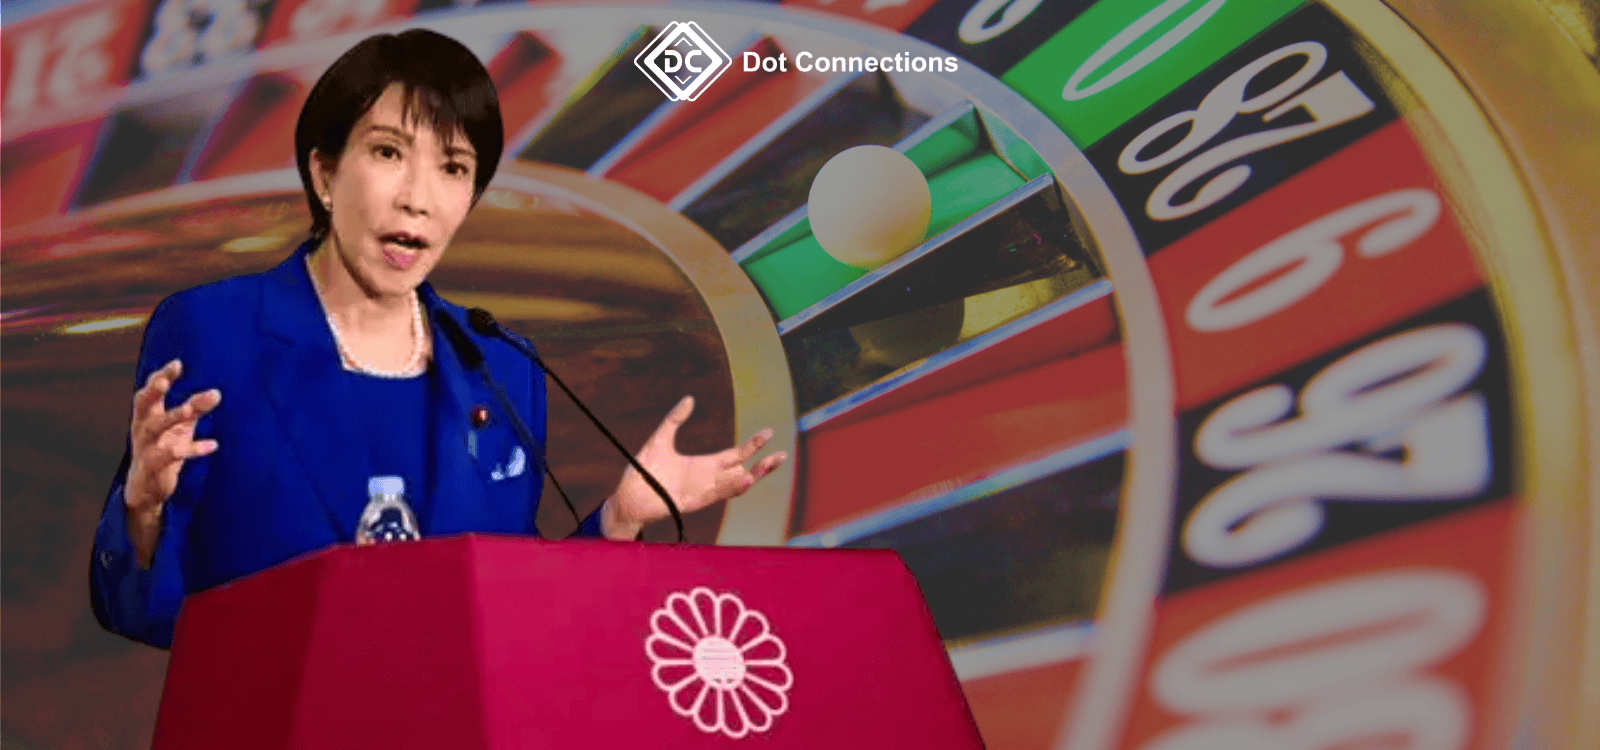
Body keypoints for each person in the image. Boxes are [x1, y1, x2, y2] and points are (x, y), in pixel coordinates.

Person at [89, 29, 787, 649]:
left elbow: (507, 603)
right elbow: (146, 613)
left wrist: (618, 520)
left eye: (453, 167)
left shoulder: (503, 366)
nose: (418, 197)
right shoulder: (214, 333)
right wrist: (142, 507)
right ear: (324, 173)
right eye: (390, 152)